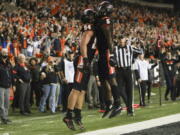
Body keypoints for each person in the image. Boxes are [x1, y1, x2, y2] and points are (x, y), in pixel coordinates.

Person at [63, 9, 96, 130]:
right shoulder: (89, 29)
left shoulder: (91, 28)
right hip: (83, 60)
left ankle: (77, 115)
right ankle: (68, 115)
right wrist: (86, 59)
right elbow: (83, 44)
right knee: (76, 89)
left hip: (86, 59)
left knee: (82, 91)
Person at [95, 1, 121, 118]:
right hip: (101, 53)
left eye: (101, 8)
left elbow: (109, 38)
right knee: (104, 80)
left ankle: (118, 104)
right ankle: (109, 104)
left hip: (106, 52)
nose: (99, 10)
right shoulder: (100, 20)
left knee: (111, 79)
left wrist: (111, 54)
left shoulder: (106, 20)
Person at [114, 37, 142, 116]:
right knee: (119, 89)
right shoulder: (115, 49)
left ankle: (130, 110)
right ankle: (126, 105)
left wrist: (135, 47)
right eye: (120, 41)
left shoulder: (130, 48)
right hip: (119, 70)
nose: (121, 42)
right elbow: (111, 58)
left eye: (123, 41)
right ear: (118, 41)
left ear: (125, 41)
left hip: (128, 70)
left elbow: (140, 51)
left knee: (129, 90)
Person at [0, 49, 13, 124]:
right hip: (1, 86)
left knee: (6, 103)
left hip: (8, 86)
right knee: (1, 103)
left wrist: (13, 84)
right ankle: (3, 118)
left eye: (6, 53)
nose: (5, 54)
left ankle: (6, 116)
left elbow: (12, 75)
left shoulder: (9, 63)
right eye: (4, 53)